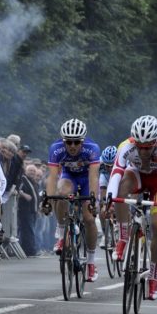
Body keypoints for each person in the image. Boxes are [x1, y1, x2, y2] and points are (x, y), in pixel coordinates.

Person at [107, 115, 157, 301]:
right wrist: (109, 200)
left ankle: (153, 277)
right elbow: (115, 174)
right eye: (140, 147)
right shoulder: (126, 146)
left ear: (155, 142)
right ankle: (123, 238)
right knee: (121, 187)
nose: (143, 151)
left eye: (148, 147)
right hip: (136, 175)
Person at [41, 118, 101, 282]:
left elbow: (94, 177)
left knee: (89, 219)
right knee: (61, 193)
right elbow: (52, 178)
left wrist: (93, 201)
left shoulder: (92, 148)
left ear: (83, 140)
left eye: (76, 142)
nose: (72, 146)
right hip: (69, 177)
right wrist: (47, 199)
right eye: (69, 142)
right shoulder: (56, 148)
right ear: (63, 140)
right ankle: (61, 234)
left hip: (86, 179)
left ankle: (90, 262)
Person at [17, 164, 39, 256]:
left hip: (32, 211)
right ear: (26, 171)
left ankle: (28, 250)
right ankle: (30, 251)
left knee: (29, 230)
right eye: (30, 170)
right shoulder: (23, 179)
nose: (32, 172)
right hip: (25, 210)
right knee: (28, 231)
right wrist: (24, 195)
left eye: (34, 171)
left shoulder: (34, 182)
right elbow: (18, 189)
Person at [98, 145, 117, 248]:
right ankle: (105, 234)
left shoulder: (124, 162)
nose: (109, 168)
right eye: (107, 165)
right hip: (105, 178)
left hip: (120, 179)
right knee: (102, 206)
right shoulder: (99, 163)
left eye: (112, 165)